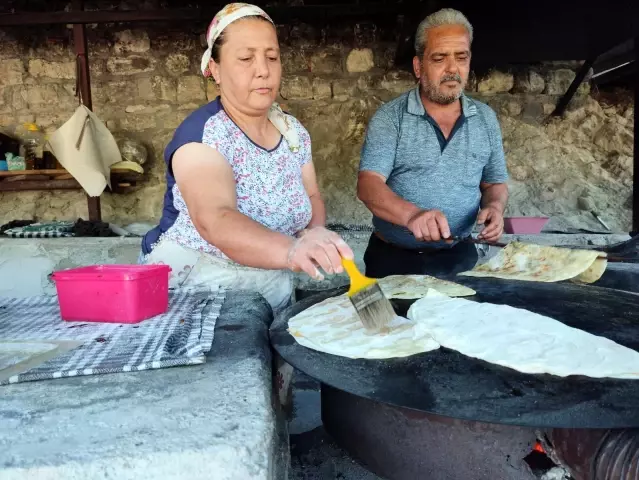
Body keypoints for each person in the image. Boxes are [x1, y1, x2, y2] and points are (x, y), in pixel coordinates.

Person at [141, 3, 353, 315]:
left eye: (272, 56)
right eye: (245, 58)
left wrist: (314, 232)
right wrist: (293, 250)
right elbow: (216, 220)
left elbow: (312, 195)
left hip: (271, 290)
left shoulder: (293, 132)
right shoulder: (202, 137)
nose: (263, 69)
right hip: (196, 296)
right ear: (214, 69)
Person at [357, 8, 509, 279]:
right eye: (440, 58)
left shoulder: (485, 119)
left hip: (459, 257)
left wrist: (495, 208)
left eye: (461, 58)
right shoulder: (391, 117)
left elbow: (494, 183)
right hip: (393, 259)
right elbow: (368, 185)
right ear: (418, 67)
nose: (453, 69)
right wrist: (413, 216)